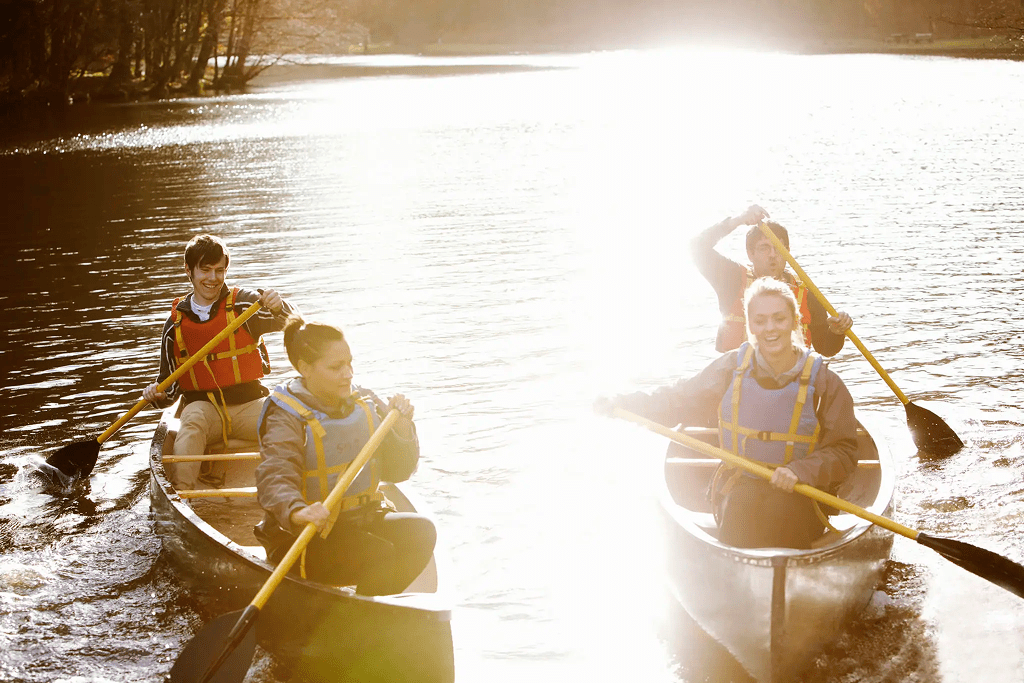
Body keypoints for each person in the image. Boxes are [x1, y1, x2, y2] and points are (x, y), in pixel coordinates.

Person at [596, 277, 860, 549]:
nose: (770, 328)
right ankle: (741, 572)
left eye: (779, 319)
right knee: (742, 504)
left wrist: (800, 471)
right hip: (741, 485)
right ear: (750, 326)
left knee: (781, 508)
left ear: (794, 321)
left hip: (803, 491)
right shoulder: (730, 368)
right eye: (760, 321)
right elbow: (678, 399)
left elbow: (845, 451)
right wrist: (623, 404)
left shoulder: (825, 381)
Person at [254, 315, 435, 595]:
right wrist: (298, 511)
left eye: (350, 363)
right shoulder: (286, 416)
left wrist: (401, 428)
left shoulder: (364, 401)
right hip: (303, 537)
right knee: (378, 554)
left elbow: (399, 472)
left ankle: (368, 613)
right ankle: (365, 619)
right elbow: (274, 476)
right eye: (336, 367)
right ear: (305, 368)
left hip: (360, 520)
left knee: (422, 532)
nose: (348, 374)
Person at [143, 234, 294, 490]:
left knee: (289, 417)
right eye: (205, 270)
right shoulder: (174, 325)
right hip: (204, 411)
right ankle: (184, 495)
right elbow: (169, 392)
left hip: (250, 405)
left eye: (219, 270)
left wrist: (280, 307)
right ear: (188, 270)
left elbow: (293, 323)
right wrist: (156, 395)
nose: (213, 278)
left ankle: (291, 492)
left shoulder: (245, 305)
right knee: (190, 423)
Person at [691, 204, 853, 356]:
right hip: (740, 378)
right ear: (750, 253)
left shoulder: (807, 293)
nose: (773, 255)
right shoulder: (731, 279)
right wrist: (739, 220)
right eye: (764, 248)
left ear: (788, 252)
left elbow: (825, 348)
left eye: (779, 248)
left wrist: (836, 332)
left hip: (790, 382)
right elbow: (696, 247)